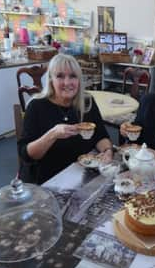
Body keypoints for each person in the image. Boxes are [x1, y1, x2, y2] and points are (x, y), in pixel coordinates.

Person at [18, 54, 112, 184]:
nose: (67, 82)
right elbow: (27, 155)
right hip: (46, 179)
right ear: (51, 79)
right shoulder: (36, 106)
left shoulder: (86, 102)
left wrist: (107, 151)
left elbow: (100, 135)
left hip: (82, 174)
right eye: (60, 76)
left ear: (79, 80)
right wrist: (53, 134)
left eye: (73, 76)